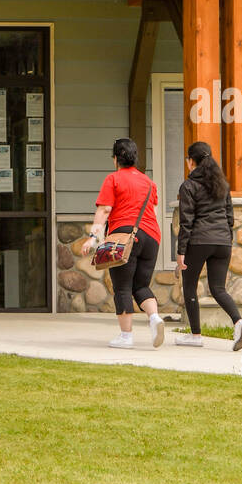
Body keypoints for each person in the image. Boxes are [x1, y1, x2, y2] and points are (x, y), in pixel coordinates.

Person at [81, 137, 165, 349]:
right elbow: (152, 212)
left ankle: (126, 337)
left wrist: (93, 237)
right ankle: (154, 318)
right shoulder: (149, 183)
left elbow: (105, 209)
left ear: (116, 158)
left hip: (125, 236)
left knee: (122, 287)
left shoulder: (114, 179)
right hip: (152, 238)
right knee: (141, 285)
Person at [175, 140, 242, 351]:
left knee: (189, 286)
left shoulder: (188, 186)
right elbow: (229, 216)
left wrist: (181, 252)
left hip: (199, 241)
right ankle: (238, 321)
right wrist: (227, 239)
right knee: (218, 288)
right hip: (223, 242)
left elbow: (186, 221)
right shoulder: (222, 185)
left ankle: (196, 335)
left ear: (191, 161)